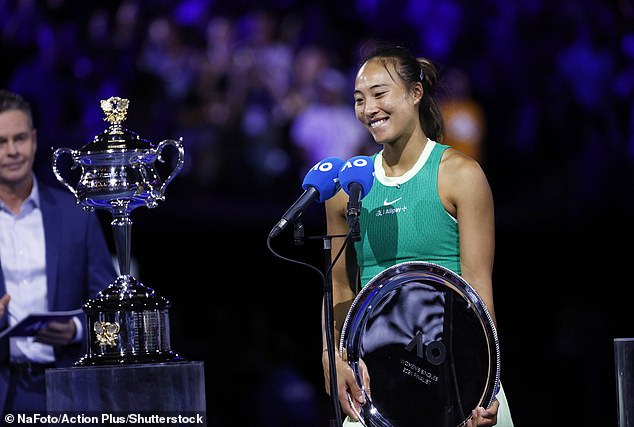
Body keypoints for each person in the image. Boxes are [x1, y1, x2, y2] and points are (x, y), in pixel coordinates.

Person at [320, 43, 514, 426]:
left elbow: (479, 291)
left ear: (415, 92)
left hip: (456, 376)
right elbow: (339, 289)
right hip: (377, 385)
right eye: (359, 99)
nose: (368, 109)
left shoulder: (461, 175)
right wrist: (332, 355)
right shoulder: (346, 189)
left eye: (379, 94)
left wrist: (483, 386)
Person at [0, 89, 117, 413]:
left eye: (20, 138)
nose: (12, 151)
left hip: (67, 392)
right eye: (1, 142)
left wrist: (76, 330)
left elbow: (109, 307)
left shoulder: (76, 215)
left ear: (35, 141)